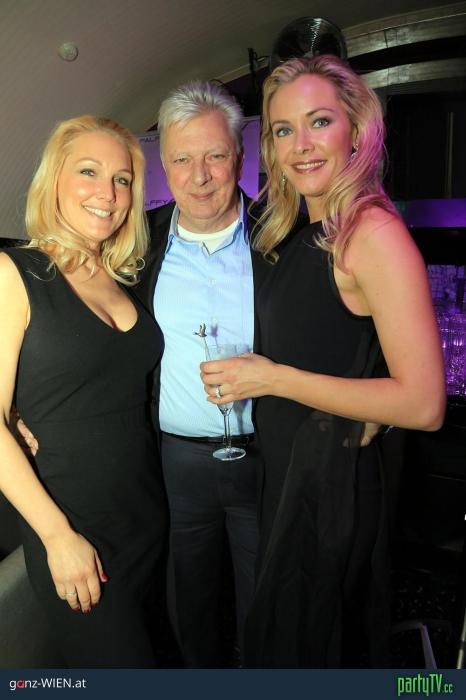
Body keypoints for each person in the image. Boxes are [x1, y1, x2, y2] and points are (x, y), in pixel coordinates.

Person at [200, 55, 446, 668]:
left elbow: (424, 404)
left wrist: (273, 379)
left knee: (317, 650)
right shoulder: (299, 229)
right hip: (294, 475)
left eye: (320, 122)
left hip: (330, 490)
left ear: (356, 130)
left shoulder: (371, 231)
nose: (302, 145)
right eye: (284, 129)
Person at [0, 115, 167, 668]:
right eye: (89, 171)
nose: (108, 193)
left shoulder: (118, 277)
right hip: (74, 528)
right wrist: (57, 537)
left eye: (122, 179)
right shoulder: (15, 272)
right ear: (54, 181)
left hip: (145, 516)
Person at [133, 81, 267, 667]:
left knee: (268, 599)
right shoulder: (138, 243)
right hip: (176, 464)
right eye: (182, 159)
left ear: (239, 156)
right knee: (187, 601)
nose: (200, 175)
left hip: (267, 458)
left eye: (214, 155)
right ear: (165, 166)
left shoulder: (281, 235)